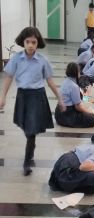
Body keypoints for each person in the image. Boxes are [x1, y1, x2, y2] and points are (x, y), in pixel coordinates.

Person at [0, 27, 64, 176]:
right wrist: (2, 96)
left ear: (38, 43)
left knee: (30, 130)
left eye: (33, 42)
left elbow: (50, 81)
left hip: (37, 97)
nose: (30, 45)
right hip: (23, 96)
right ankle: (31, 145)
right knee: (27, 128)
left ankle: (27, 161)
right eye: (27, 42)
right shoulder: (16, 58)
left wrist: (60, 98)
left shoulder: (42, 61)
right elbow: (9, 77)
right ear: (23, 42)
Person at [55, 62, 94, 129]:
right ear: (76, 72)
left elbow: (80, 100)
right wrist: (90, 113)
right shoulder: (74, 86)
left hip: (58, 113)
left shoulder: (66, 81)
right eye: (78, 71)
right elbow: (78, 107)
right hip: (67, 115)